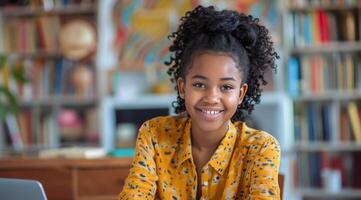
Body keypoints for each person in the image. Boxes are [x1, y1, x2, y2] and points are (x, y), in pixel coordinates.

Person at [119, 5, 281, 200]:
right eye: (199, 84)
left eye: (226, 87)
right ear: (182, 87)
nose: (211, 98)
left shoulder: (261, 148)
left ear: (240, 93)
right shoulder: (154, 136)